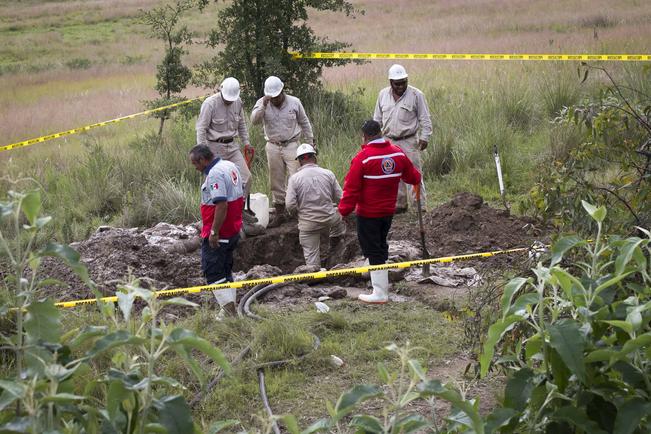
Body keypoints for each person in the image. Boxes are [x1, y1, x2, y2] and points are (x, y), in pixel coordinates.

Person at [338, 120, 421, 304]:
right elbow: (414, 177)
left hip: (368, 213)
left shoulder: (363, 158)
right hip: (388, 212)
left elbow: (351, 189)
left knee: (373, 249)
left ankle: (380, 293)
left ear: (365, 137)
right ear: (380, 133)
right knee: (381, 246)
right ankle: (380, 285)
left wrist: (343, 211)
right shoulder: (398, 153)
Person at [251, 76, 314, 227]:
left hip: (292, 144)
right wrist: (263, 105)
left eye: (277, 96)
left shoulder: (294, 102)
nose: (275, 99)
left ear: (282, 91)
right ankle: (280, 212)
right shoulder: (263, 103)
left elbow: (304, 122)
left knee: (296, 177)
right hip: (272, 145)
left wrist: (311, 142)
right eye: (272, 97)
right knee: (276, 180)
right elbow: (254, 121)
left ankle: (299, 211)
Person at [189, 144, 244, 317]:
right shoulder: (229, 165)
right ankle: (230, 309)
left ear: (203, 160)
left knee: (212, 271)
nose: (195, 167)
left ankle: (228, 312)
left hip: (221, 232)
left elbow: (221, 204)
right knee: (226, 270)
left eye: (195, 163)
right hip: (232, 228)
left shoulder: (215, 174)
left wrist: (214, 232)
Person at [373, 64, 432, 213]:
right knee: (392, 172)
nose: (401, 86)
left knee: (414, 173)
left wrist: (425, 137)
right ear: (390, 82)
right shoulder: (382, 95)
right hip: (389, 140)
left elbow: (425, 118)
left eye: (404, 82)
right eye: (397, 83)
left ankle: (419, 205)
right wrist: (374, 139)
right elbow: (377, 119)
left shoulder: (416, 95)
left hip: (409, 140)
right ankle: (400, 204)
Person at [196, 77, 256, 223]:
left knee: (246, 178)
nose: (229, 101)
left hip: (232, 147)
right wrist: (203, 151)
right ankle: (213, 218)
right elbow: (201, 128)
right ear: (221, 90)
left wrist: (246, 143)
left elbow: (242, 124)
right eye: (227, 98)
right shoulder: (210, 104)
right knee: (216, 184)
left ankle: (238, 211)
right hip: (214, 148)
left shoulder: (238, 102)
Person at [286, 144, 346, 271]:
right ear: (315, 157)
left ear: (300, 161)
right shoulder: (328, 174)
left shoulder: (294, 179)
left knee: (312, 262)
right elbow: (340, 198)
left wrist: (298, 215)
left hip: (309, 225)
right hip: (330, 219)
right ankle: (336, 246)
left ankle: (315, 277)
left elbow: (290, 205)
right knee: (338, 223)